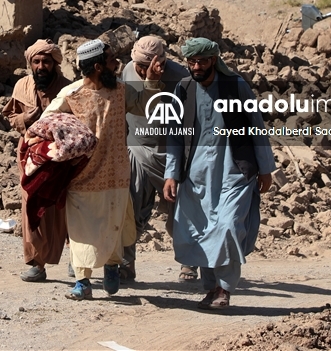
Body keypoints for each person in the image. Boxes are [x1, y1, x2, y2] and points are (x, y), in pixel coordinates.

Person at [41, 39, 163, 300]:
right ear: (98, 66)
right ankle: (83, 283)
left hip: (116, 174)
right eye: (111, 60)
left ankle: (111, 266)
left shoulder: (121, 91)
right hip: (82, 177)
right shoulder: (71, 95)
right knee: (81, 230)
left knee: (112, 225)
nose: (117, 64)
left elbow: (145, 106)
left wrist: (151, 82)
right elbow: (45, 123)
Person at [162, 38, 275, 311]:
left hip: (234, 170)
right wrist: (171, 173)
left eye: (201, 61)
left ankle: (224, 288)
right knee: (201, 231)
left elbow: (256, 126)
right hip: (197, 173)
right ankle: (210, 288)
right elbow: (175, 135)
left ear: (213, 60)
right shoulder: (184, 88)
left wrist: (266, 168)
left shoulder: (235, 86)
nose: (196, 66)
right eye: (191, 62)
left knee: (228, 227)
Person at [120, 35, 191, 282]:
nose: (141, 71)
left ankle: (189, 263)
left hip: (173, 155)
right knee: (131, 210)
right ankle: (126, 264)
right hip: (138, 151)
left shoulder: (180, 79)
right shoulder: (128, 70)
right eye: (139, 66)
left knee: (182, 212)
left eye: (145, 67)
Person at [3, 40, 72, 282]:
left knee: (62, 205)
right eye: (37, 61)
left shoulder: (67, 88)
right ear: (31, 64)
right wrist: (24, 118)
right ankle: (35, 262)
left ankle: (76, 257)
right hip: (29, 156)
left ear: (55, 63)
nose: (41, 66)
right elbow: (11, 117)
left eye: (46, 61)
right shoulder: (22, 85)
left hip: (59, 156)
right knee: (31, 205)